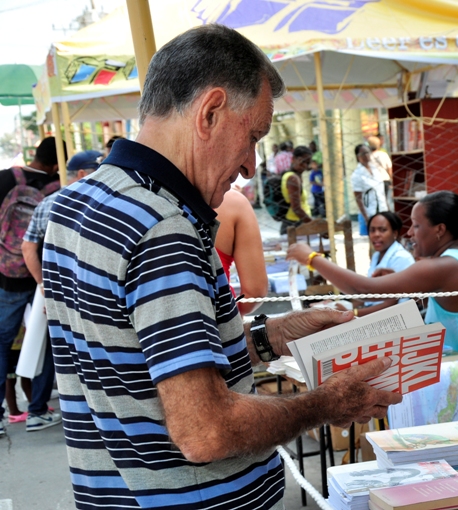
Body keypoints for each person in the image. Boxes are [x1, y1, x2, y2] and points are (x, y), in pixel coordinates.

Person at [41, 25, 401, 509]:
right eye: (253, 136)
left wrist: (268, 336)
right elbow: (205, 431)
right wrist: (324, 405)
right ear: (210, 112)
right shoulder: (161, 226)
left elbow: (135, 362)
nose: (252, 165)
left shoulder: (74, 206)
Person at [288, 191, 458, 426]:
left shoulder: (441, 268)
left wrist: (312, 258)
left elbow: (361, 289)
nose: (410, 233)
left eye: (417, 225)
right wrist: (402, 279)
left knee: (384, 386)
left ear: (440, 230)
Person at [17, 150, 100, 433]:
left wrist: (44, 285)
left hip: (60, 291)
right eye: (95, 168)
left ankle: (41, 411)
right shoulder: (100, 201)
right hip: (91, 290)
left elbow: (28, 247)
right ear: (80, 173)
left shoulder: (50, 203)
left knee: (58, 350)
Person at [0, 137, 63, 438]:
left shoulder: (5, 178)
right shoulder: (55, 186)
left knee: (1, 345)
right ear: (54, 163)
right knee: (46, 341)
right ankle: (37, 410)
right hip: (43, 278)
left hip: (6, 276)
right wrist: (43, 282)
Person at [289, 211, 415, 317]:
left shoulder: (401, 258)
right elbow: (368, 297)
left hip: (393, 316)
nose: (376, 235)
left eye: (382, 230)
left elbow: (390, 302)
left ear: (395, 233)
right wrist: (334, 304)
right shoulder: (378, 254)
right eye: (372, 230)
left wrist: (352, 312)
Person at [214, 189, 268, 316]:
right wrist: (233, 316)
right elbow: (255, 292)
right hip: (218, 320)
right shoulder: (233, 202)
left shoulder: (159, 202)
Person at [352, 144, 388, 236]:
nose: (366, 155)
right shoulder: (357, 174)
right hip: (369, 212)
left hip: (382, 209)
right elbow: (358, 198)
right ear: (357, 157)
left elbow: (381, 191)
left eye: (368, 152)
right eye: (363, 153)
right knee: (373, 240)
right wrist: (366, 218)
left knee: (383, 238)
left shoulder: (376, 169)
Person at [281, 144, 314, 234]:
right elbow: (296, 208)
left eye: (307, 163)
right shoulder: (293, 179)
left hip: (298, 222)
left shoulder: (295, 176)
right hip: (295, 224)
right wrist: (313, 225)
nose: (305, 166)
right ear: (293, 159)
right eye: (302, 161)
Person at [367, 135, 393, 203]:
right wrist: (391, 180)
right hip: (385, 179)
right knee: (384, 200)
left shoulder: (367, 157)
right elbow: (389, 169)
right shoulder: (384, 154)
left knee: (375, 201)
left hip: (373, 180)